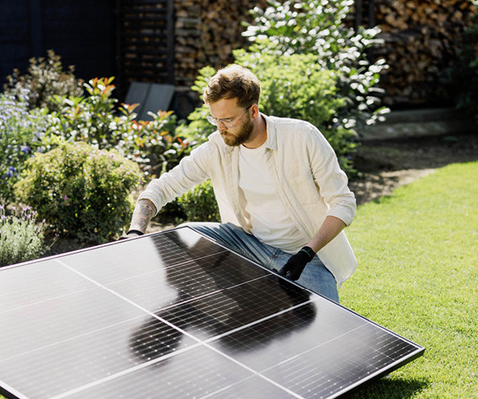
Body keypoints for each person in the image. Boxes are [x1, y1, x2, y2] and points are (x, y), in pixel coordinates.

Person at [124, 64, 357, 303]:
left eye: (227, 120)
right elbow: (161, 188)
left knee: (324, 325)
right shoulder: (218, 147)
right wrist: (135, 232)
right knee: (188, 234)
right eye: (214, 119)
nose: (220, 128)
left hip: (305, 256)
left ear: (253, 111)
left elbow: (343, 203)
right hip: (248, 245)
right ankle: (192, 303)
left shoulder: (302, 137)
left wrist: (307, 252)